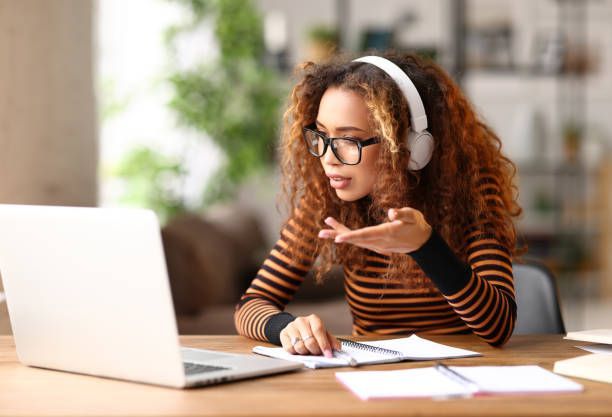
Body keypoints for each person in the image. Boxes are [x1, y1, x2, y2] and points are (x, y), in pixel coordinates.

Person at [234, 51, 521, 358]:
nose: (328, 158)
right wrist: (285, 327)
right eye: (322, 135)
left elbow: (498, 326)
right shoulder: (327, 198)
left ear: (410, 145)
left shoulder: (471, 191)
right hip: (370, 376)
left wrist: (426, 246)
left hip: (464, 379)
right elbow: (250, 305)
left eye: (349, 139)